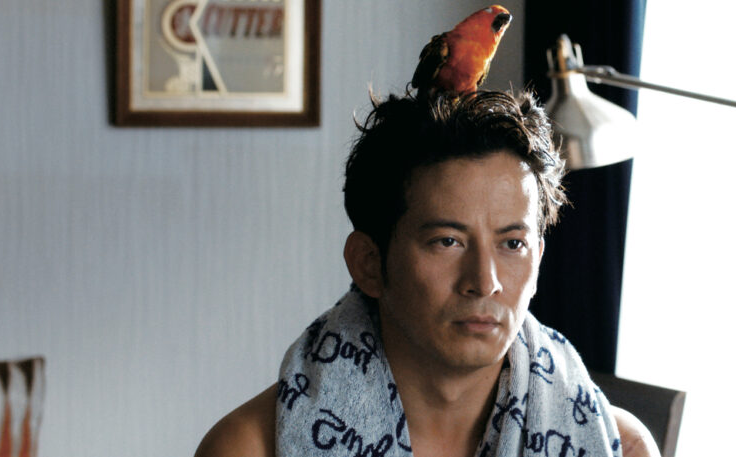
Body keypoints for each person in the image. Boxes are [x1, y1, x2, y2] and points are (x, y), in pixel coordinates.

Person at [194, 90, 658, 457]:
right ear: (368, 264)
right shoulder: (249, 448)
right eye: (447, 241)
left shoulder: (617, 446)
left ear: (537, 260)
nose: (485, 281)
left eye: (512, 244)